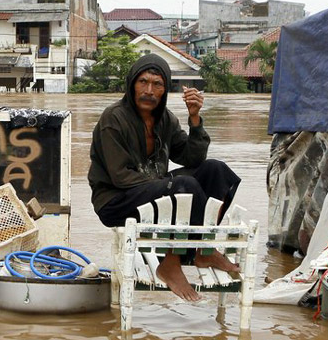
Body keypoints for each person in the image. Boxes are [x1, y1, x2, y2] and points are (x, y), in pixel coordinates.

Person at [88, 53, 242, 301]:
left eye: (157, 84)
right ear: (132, 84)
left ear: (165, 90)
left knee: (216, 170)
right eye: (143, 82)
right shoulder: (113, 118)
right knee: (183, 185)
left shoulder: (166, 119)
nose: (149, 91)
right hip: (116, 200)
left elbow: (193, 158)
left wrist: (195, 118)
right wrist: (169, 187)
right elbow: (120, 176)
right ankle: (170, 263)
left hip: (152, 193)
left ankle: (203, 248)